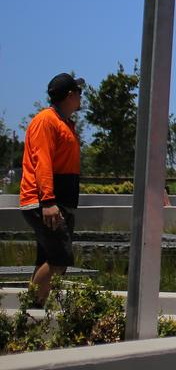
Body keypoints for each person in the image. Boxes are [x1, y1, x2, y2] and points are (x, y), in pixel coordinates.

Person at [19, 73, 84, 306]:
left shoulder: (64, 123)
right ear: (69, 95)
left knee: (47, 258)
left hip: (58, 202)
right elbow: (42, 161)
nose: (80, 97)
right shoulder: (46, 121)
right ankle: (31, 311)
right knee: (59, 259)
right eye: (79, 92)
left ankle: (33, 314)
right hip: (45, 202)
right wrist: (48, 201)